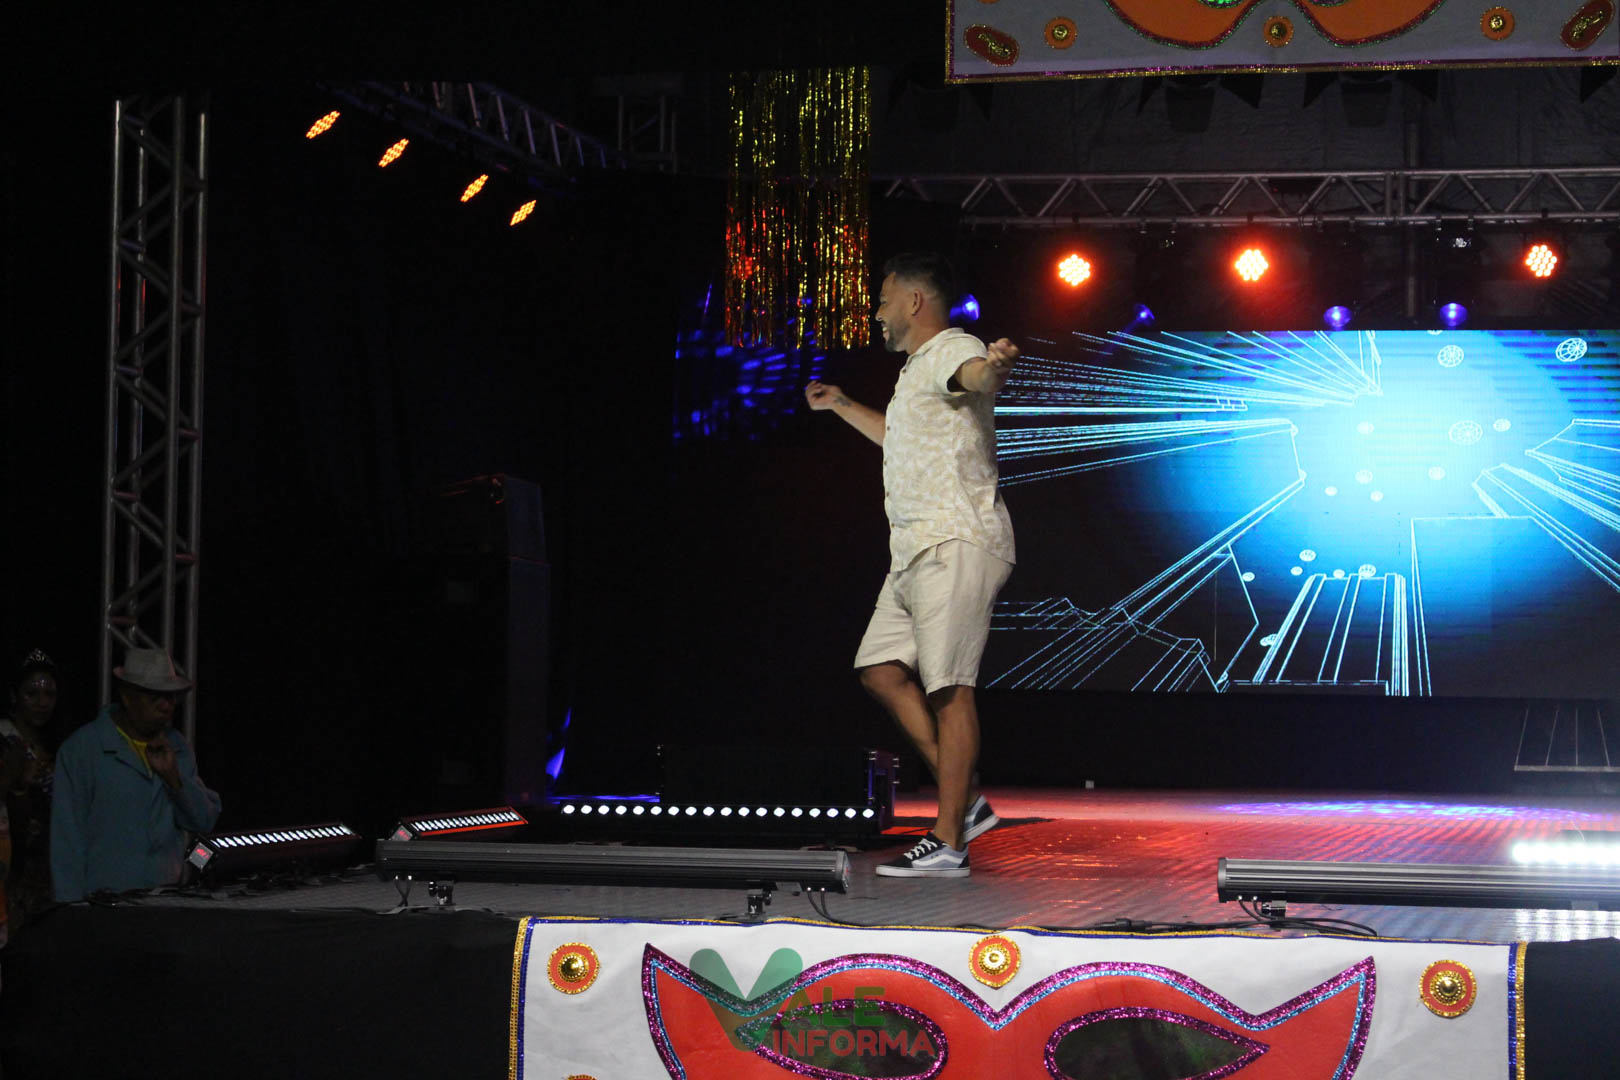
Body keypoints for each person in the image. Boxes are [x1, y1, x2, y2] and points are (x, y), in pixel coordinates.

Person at [805, 252, 1017, 878]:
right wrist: (842, 404)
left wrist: (994, 368)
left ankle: (950, 841)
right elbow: (899, 438)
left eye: (882, 299)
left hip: (954, 540)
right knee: (878, 669)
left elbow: (976, 376)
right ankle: (966, 797)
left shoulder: (953, 347)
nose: (876, 311)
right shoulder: (915, 370)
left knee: (949, 688)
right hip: (914, 551)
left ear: (914, 301)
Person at [50, 648, 221, 901]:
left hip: (166, 902)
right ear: (127, 697)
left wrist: (174, 779)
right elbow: (66, 842)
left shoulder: (178, 748)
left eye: (171, 696)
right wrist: (72, 909)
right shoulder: (82, 750)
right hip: (105, 906)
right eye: (155, 696)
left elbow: (203, 821)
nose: (166, 705)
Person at [1, 650, 66, 931]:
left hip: (44, 874)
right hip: (10, 870)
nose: (42, 703)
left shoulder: (55, 746)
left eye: (49, 694)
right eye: (32, 694)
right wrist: (17, 782)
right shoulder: (4, 741)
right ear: (14, 696)